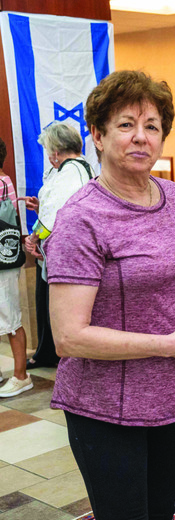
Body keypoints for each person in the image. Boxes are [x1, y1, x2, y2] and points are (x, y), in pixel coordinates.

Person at [44, 70, 175, 520]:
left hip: (172, 400)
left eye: (152, 125)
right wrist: (169, 345)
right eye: (125, 124)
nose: (141, 136)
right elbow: (68, 337)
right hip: (105, 407)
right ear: (97, 134)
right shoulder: (83, 218)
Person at [21, 122, 93, 370]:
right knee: (44, 301)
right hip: (61, 249)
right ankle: (47, 352)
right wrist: (40, 208)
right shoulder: (72, 169)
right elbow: (55, 208)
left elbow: (57, 216)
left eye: (49, 149)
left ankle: (56, 356)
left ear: (57, 149)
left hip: (65, 252)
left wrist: (34, 238)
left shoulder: (72, 171)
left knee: (56, 306)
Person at [0, 139, 31, 398]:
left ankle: (21, 376)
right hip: (3, 259)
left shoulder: (1, 182)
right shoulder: (5, 180)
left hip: (3, 263)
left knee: (10, 318)